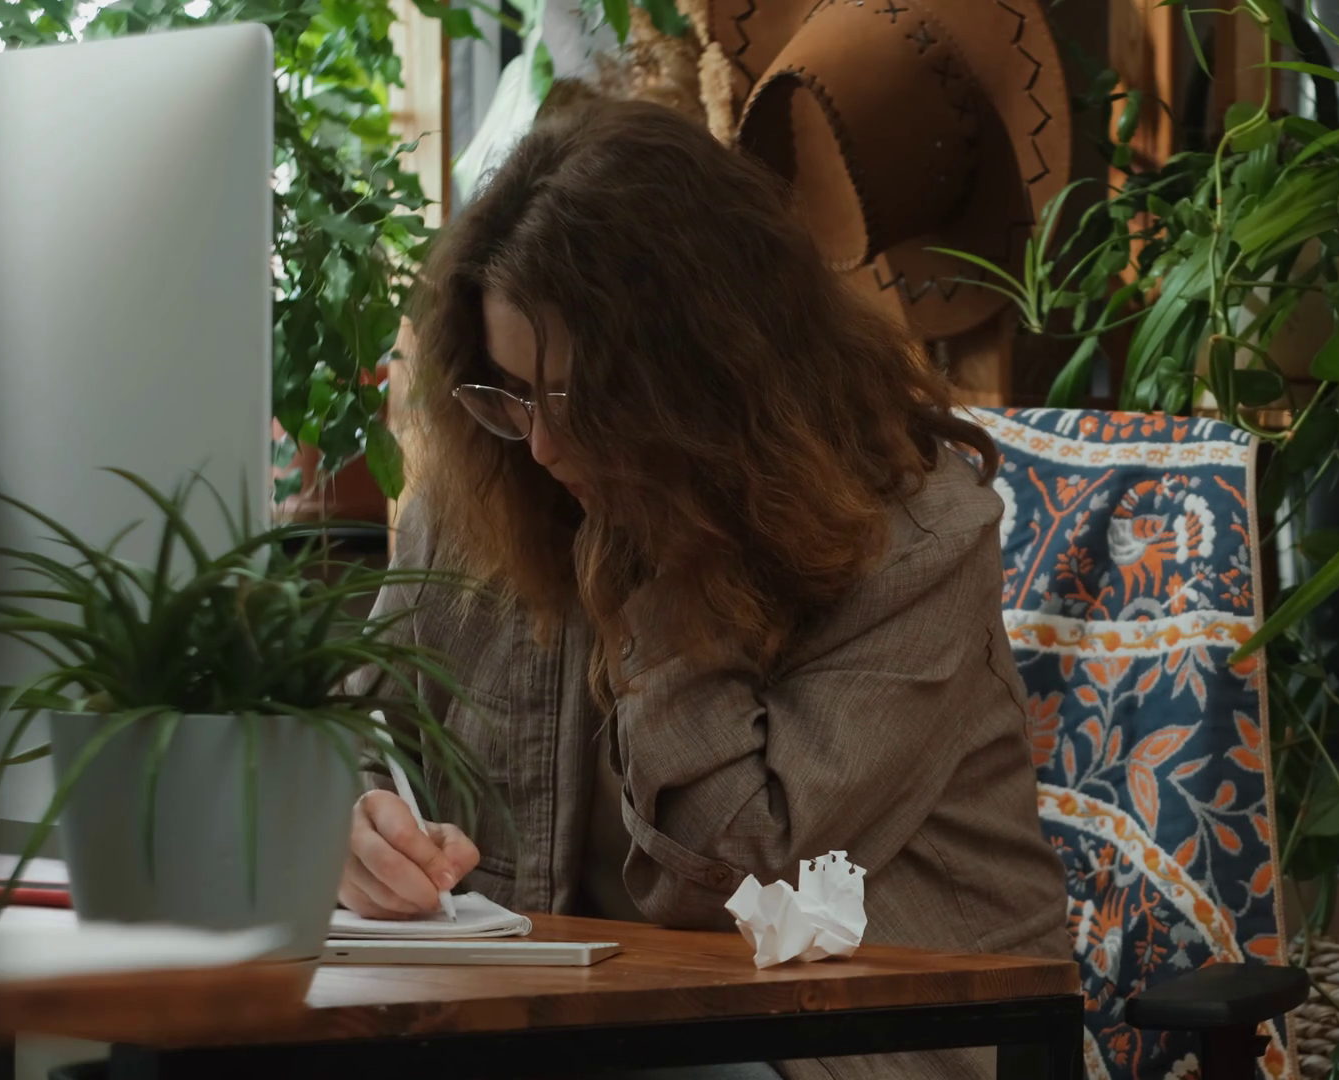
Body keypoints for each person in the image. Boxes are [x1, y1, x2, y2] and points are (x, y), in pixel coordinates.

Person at [338, 97, 1069, 1080]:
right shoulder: (490, 486)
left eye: (583, 398)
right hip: (572, 1029)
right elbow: (366, 738)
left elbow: (732, 871)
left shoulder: (912, 540)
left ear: (706, 378)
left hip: (851, 1044)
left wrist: (671, 561)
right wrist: (359, 833)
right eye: (514, 391)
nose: (542, 443)